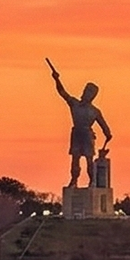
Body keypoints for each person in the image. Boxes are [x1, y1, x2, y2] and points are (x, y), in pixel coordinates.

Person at [48, 59, 113, 187]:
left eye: (89, 92)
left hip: (87, 135)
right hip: (76, 133)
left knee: (89, 160)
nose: (86, 93)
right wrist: (56, 79)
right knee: (75, 159)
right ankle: (74, 180)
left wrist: (108, 134)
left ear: (93, 96)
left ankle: (92, 181)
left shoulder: (95, 111)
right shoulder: (75, 104)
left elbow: (105, 127)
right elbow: (62, 92)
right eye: (85, 90)